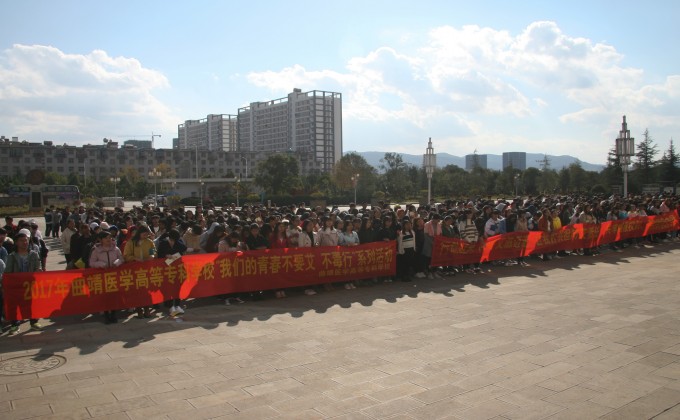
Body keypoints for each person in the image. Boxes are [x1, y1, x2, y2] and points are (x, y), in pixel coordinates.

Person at [5, 230, 43, 335]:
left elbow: (38, 267)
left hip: (30, 285)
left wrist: (38, 271)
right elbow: (8, 272)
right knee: (15, 305)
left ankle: (34, 322)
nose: (24, 242)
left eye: (26, 240)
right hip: (16, 286)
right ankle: (15, 324)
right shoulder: (12, 256)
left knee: (31, 304)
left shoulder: (33, 254)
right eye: (21, 240)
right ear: (16, 242)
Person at [89, 231, 124, 324]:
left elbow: (121, 258)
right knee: (104, 296)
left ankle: (113, 314)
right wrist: (101, 264)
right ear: (101, 240)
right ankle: (106, 315)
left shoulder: (116, 248)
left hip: (114, 276)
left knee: (114, 295)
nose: (108, 240)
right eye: (106, 238)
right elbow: (91, 263)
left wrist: (117, 262)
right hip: (102, 277)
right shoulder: (96, 250)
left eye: (109, 237)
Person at [123, 225, 157, 318]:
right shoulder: (131, 242)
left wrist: (152, 256)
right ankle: (139, 311)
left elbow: (153, 251)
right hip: (135, 270)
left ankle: (147, 309)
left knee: (147, 291)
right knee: (137, 291)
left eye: (147, 234)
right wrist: (135, 258)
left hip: (147, 269)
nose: (145, 236)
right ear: (139, 233)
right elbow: (126, 256)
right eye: (144, 234)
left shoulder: (149, 242)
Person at [156, 229, 188, 316]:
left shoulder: (178, 242)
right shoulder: (163, 243)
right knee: (169, 287)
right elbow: (159, 255)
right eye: (172, 240)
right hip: (167, 269)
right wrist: (166, 255)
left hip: (177, 268)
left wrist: (174, 256)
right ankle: (170, 306)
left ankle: (177, 305)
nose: (173, 241)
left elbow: (184, 249)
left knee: (178, 286)